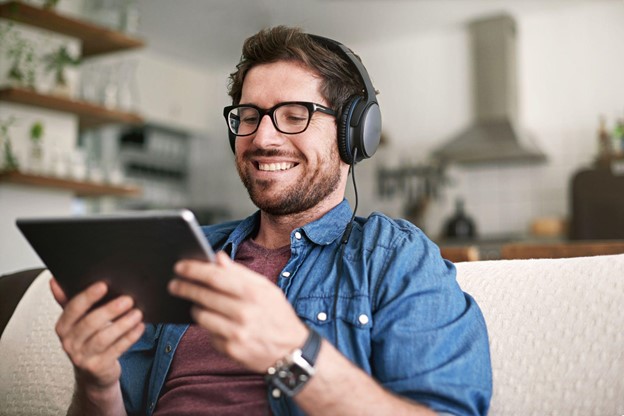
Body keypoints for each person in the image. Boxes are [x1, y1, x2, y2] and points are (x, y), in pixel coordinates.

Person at [50, 26, 492, 415]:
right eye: (248, 117)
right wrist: (97, 381)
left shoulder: (395, 257)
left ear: (353, 133)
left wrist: (292, 353)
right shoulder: (180, 252)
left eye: (294, 116)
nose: (262, 138)